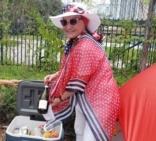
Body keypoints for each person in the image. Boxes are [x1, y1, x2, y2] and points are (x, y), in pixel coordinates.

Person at [43, 2, 119, 141]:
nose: (68, 26)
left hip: (100, 99)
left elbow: (77, 83)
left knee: (91, 137)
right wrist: (55, 75)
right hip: (86, 95)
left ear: (83, 22)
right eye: (64, 22)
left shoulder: (84, 45)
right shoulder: (76, 42)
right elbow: (71, 68)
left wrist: (58, 99)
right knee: (79, 129)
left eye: (73, 21)